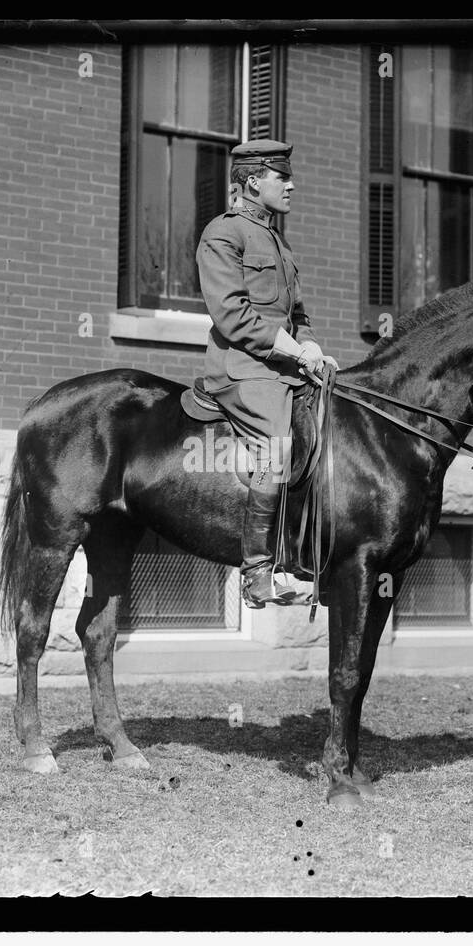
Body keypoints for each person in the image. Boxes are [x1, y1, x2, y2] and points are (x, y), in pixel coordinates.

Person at [195, 140, 338, 608]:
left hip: (283, 366)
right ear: (254, 180)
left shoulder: (278, 241)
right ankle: (256, 574)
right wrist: (296, 352)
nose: (292, 184)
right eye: (282, 177)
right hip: (241, 369)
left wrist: (311, 344)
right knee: (276, 448)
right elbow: (231, 315)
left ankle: (309, 557)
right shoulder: (223, 234)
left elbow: (296, 312)